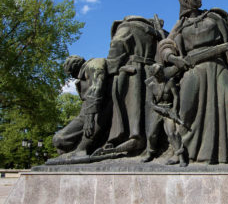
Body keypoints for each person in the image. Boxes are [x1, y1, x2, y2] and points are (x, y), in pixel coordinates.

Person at [158, 0, 228, 165]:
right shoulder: (180, 25)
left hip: (218, 66)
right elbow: (166, 46)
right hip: (194, 70)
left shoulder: (213, 17)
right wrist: (175, 59)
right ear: (186, 0)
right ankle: (179, 151)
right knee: (184, 112)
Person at [104, 16, 165, 154]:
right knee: (147, 107)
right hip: (151, 71)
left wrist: (111, 68)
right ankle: (145, 140)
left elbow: (117, 44)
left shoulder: (127, 27)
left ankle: (133, 136)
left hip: (132, 72)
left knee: (131, 104)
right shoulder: (153, 31)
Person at [52, 55, 112, 158]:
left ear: (75, 66)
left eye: (71, 73)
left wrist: (90, 117)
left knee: (86, 132)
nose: (72, 77)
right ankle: (73, 154)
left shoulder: (94, 64)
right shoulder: (83, 75)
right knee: (58, 140)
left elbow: (97, 88)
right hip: (85, 113)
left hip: (100, 108)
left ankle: (82, 150)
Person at [143, 63, 187, 167]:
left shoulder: (170, 82)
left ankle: (180, 157)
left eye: (162, 71)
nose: (162, 74)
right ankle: (150, 153)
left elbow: (176, 96)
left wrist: (174, 110)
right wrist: (161, 110)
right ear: (155, 75)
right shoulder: (151, 85)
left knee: (172, 133)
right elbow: (150, 103)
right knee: (151, 134)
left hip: (169, 109)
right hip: (157, 111)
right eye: (159, 73)